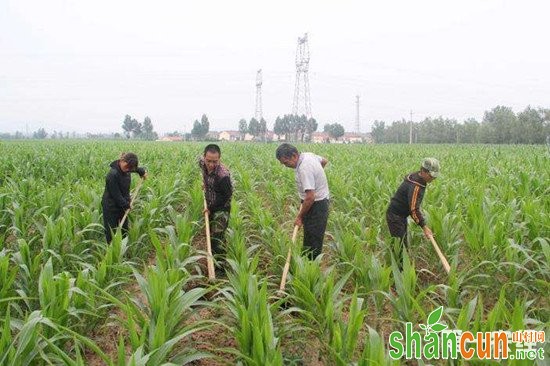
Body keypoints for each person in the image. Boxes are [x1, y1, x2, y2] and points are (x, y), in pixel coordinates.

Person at [276, 143, 330, 260]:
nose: (285, 166)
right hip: (317, 202)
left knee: (313, 242)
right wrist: (316, 178)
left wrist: (299, 217)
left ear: (294, 155)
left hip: (317, 206)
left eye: (285, 162)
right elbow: (324, 161)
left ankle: (311, 272)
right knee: (310, 236)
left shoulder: (304, 169)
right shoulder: (308, 155)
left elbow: (310, 197)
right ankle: (306, 266)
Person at [386, 157, 440, 269]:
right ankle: (398, 277)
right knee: (400, 248)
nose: (433, 178)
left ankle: (399, 269)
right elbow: (414, 209)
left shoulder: (418, 178)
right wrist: (424, 227)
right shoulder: (416, 185)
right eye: (431, 175)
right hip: (395, 216)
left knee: (401, 244)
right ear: (423, 171)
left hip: (400, 215)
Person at [199, 144, 233, 271]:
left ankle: (220, 267)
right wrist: (205, 183)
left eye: (215, 161)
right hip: (210, 202)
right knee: (211, 234)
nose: (211, 164)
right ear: (204, 157)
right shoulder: (202, 163)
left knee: (217, 237)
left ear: (219, 159)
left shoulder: (223, 175)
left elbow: (226, 197)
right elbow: (204, 171)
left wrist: (211, 208)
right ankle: (212, 259)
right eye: (208, 161)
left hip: (221, 208)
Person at [101, 152, 147, 243]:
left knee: (124, 230)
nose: (128, 170)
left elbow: (135, 169)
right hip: (111, 206)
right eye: (127, 167)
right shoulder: (112, 175)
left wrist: (142, 171)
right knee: (111, 231)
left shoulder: (127, 168)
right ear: (122, 161)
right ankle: (111, 252)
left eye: (130, 168)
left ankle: (123, 249)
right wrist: (127, 205)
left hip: (123, 204)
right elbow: (116, 196)